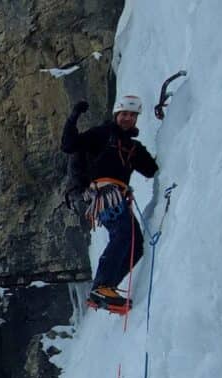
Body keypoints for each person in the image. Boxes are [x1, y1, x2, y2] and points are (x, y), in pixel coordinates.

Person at [61, 95, 159, 310]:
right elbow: (69, 145)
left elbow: (151, 170)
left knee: (136, 246)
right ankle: (102, 286)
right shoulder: (102, 134)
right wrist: (73, 118)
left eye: (132, 115)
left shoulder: (133, 147)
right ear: (116, 115)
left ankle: (105, 289)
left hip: (117, 195)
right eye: (124, 114)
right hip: (103, 193)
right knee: (123, 233)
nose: (128, 118)